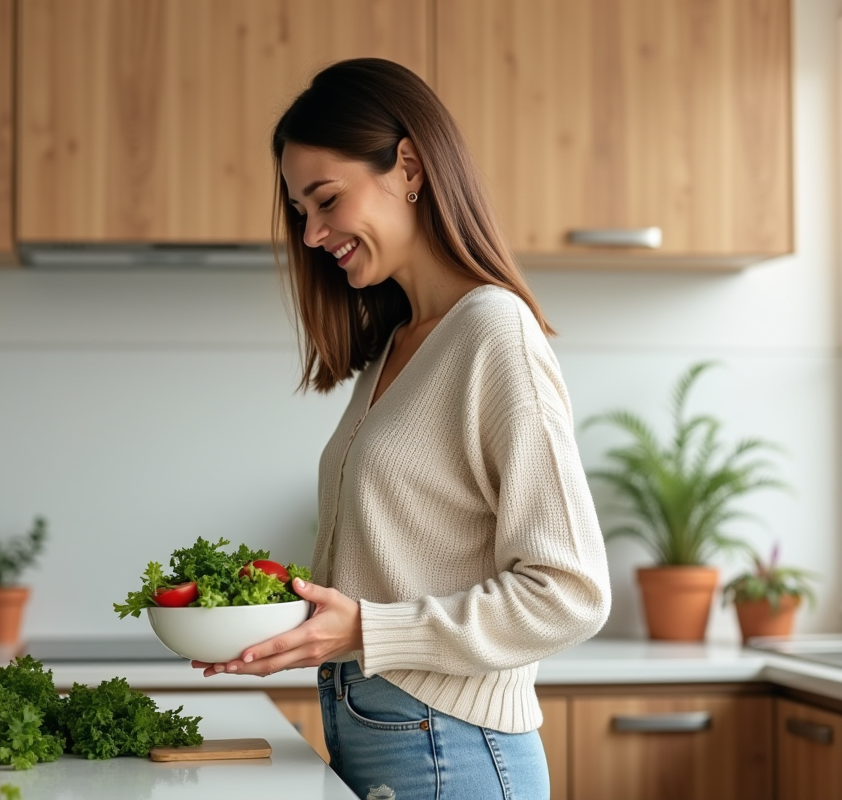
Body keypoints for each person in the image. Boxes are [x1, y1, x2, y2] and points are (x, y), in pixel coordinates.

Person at [191, 58, 611, 800]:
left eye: (326, 200)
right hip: (384, 733)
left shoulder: (493, 332)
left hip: (451, 744)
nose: (314, 233)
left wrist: (365, 631)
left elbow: (571, 592)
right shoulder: (398, 345)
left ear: (408, 165)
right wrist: (301, 623)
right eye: (301, 212)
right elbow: (400, 566)